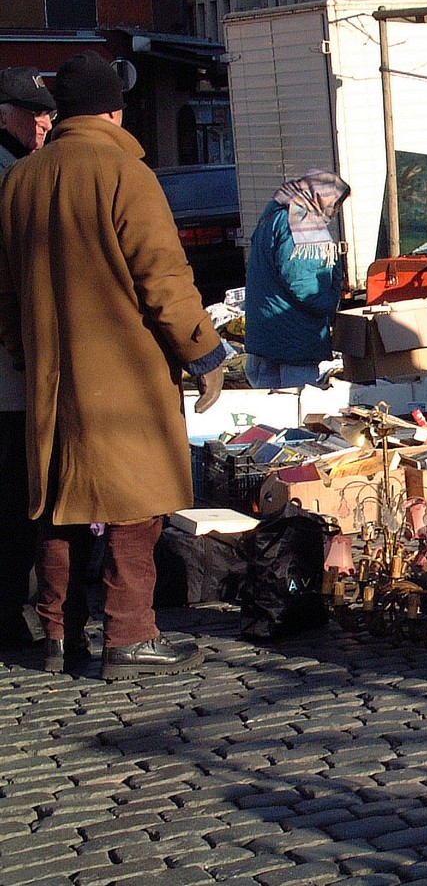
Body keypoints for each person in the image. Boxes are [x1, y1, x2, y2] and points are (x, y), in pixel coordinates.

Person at [0, 50, 225, 679]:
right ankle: (129, 637)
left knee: (58, 505)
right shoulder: (124, 172)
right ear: (114, 109)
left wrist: (28, 353)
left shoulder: (21, 178)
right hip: (125, 372)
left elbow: (4, 295)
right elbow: (163, 277)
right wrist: (203, 350)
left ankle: (56, 635)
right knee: (136, 506)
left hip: (51, 376)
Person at [0, 66, 56, 653]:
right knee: (13, 491)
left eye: (46, 111)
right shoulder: (15, 176)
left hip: (14, 355)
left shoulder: (22, 170)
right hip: (9, 364)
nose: (43, 120)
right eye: (30, 111)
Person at [244, 170, 351, 389]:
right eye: (335, 203)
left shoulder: (273, 216)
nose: (335, 211)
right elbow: (303, 284)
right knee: (298, 403)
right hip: (293, 333)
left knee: (270, 405)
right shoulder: (301, 225)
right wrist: (330, 304)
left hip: (269, 325)